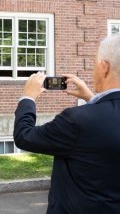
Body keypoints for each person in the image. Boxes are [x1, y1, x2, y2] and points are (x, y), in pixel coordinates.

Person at [13, 34, 120, 213]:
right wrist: (92, 98)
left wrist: (28, 98)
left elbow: (24, 136)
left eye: (94, 64)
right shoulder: (91, 118)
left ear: (104, 68)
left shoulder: (77, 120)